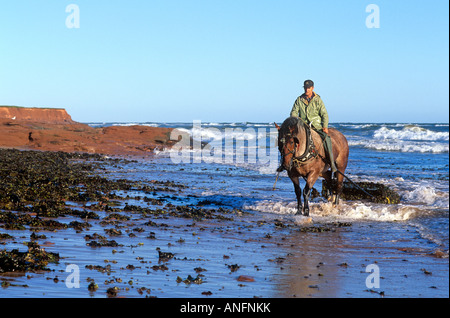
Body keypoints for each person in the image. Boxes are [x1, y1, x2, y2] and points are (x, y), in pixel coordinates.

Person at [290, 80, 337, 173]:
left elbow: (324, 114)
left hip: (316, 126)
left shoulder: (318, 100)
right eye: (305, 88)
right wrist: (295, 120)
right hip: (302, 126)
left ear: (312, 88)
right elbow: (294, 112)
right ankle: (287, 163)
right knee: (289, 139)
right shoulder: (299, 99)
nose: (307, 90)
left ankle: (332, 163)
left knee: (326, 139)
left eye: (309, 88)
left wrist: (325, 126)